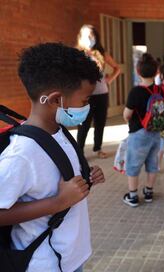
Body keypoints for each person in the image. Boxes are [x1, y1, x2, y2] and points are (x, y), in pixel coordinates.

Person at [0, 43, 105, 272]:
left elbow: (58, 181)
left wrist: (86, 178)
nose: (87, 107)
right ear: (56, 100)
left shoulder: (59, 131)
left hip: (70, 255)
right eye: (85, 100)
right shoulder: (21, 155)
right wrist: (58, 203)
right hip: (44, 263)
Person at [76, 24, 121, 158]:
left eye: (92, 35)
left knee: (100, 122)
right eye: (87, 35)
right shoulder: (77, 53)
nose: (90, 38)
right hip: (85, 95)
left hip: (101, 93)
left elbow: (117, 68)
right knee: (84, 124)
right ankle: (79, 152)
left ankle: (98, 148)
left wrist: (110, 79)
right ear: (81, 37)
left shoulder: (101, 53)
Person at [122, 53, 160, 207]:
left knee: (133, 164)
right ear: (156, 72)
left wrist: (128, 121)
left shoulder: (136, 92)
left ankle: (132, 196)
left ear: (137, 71)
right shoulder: (160, 89)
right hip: (156, 131)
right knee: (152, 162)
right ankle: (149, 192)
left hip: (139, 132)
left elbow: (127, 115)